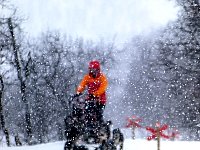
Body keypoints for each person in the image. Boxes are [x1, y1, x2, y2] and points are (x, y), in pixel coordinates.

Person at [75, 60, 108, 125]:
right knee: (87, 111)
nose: (92, 71)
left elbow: (103, 88)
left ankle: (100, 126)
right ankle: (87, 125)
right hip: (90, 99)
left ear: (98, 70)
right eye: (91, 69)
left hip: (100, 100)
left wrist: (95, 94)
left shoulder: (102, 78)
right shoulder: (87, 77)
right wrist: (78, 92)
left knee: (98, 114)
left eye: (94, 70)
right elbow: (82, 85)